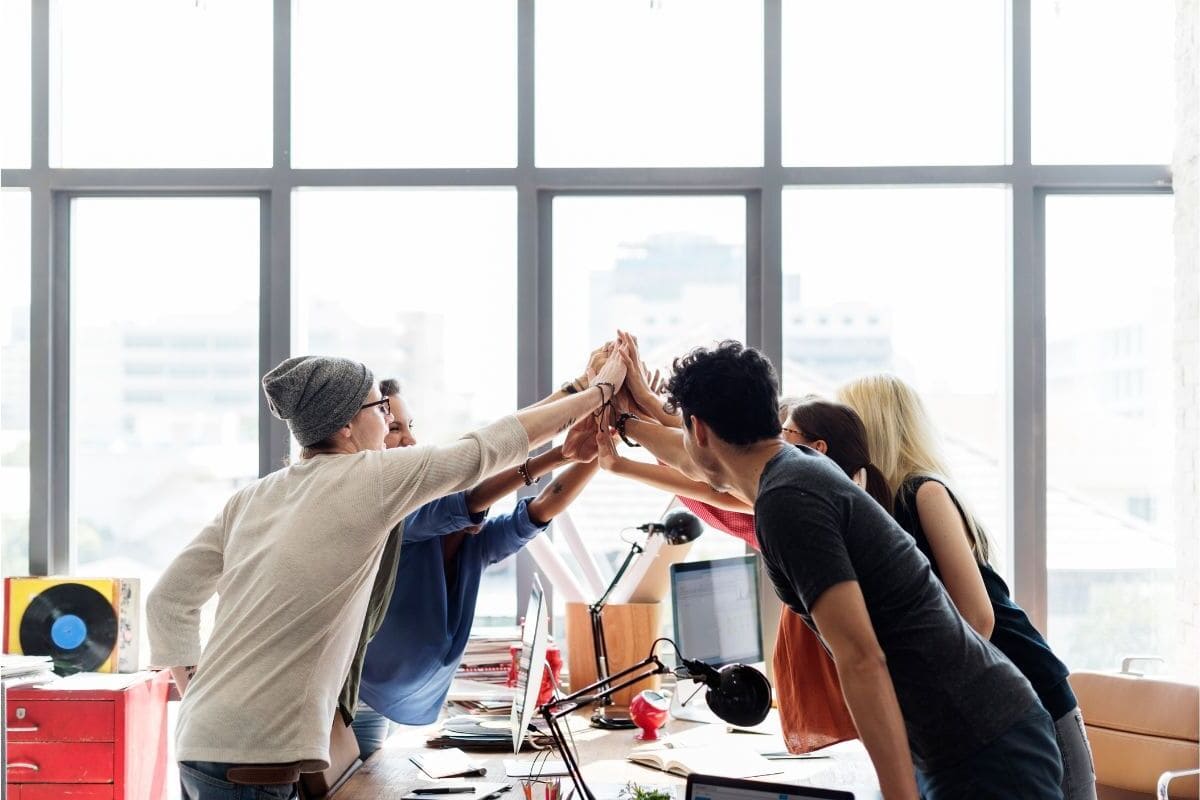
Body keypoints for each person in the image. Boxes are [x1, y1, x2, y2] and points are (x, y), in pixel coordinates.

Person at [147, 351, 627, 800]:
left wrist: (199, 696)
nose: (388, 419)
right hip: (254, 761)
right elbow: (485, 448)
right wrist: (595, 393)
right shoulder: (370, 478)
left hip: (199, 739)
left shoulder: (253, 497)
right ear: (348, 426)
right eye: (380, 407)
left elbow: (167, 601)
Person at [661, 340, 1062, 800]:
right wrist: (625, 424)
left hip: (981, 743)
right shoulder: (796, 468)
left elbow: (860, 657)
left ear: (699, 429)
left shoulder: (788, 500)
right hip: (969, 733)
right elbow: (687, 453)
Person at [838, 374, 1096, 800]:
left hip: (1032, 696)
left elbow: (978, 617)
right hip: (988, 714)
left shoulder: (924, 492)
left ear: (873, 426)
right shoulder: (874, 510)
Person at [349, 378, 600, 757]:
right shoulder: (396, 517)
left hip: (384, 703)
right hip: (354, 701)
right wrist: (558, 452)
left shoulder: (469, 546)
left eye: (411, 427)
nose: (411, 442)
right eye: (395, 428)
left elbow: (538, 510)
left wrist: (599, 448)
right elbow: (470, 495)